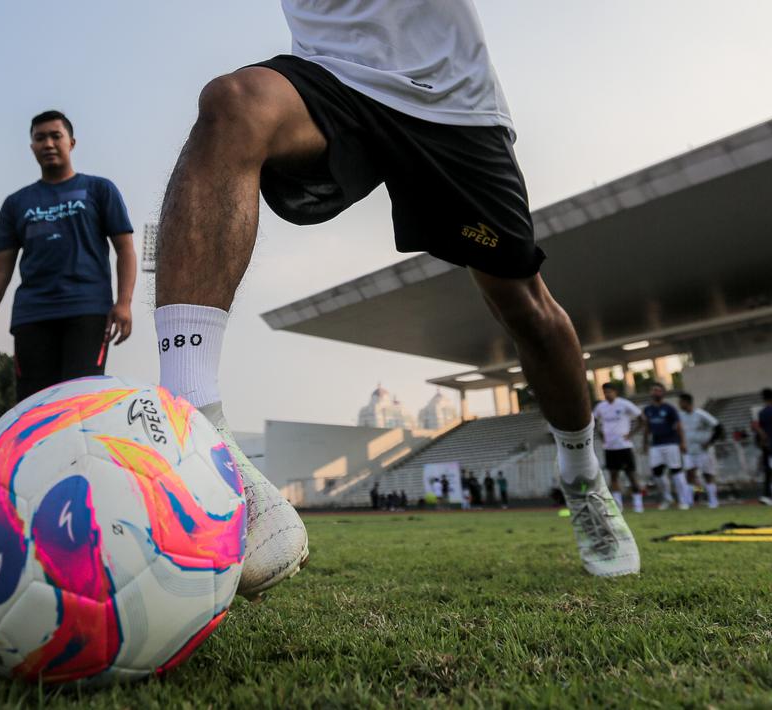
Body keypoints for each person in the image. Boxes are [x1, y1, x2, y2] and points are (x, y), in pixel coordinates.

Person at [152, 0, 637, 583]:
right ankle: (194, 418)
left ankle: (584, 479)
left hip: (451, 103)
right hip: (337, 81)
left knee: (523, 305)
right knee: (233, 103)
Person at [0, 110, 136, 402]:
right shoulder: (16, 203)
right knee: (34, 405)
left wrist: (124, 302)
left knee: (78, 403)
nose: (48, 144)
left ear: (71, 142)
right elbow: (0, 269)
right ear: (32, 147)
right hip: (32, 314)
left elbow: (125, 249)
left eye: (56, 136)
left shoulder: (99, 189)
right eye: (40, 138)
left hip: (88, 310)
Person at [593, 382, 645, 512]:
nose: (607, 394)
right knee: (613, 476)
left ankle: (638, 505)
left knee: (631, 475)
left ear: (615, 392)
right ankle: (618, 506)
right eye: (605, 392)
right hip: (609, 447)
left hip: (624, 446)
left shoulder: (624, 404)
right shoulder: (601, 407)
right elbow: (594, 421)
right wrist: (601, 434)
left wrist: (631, 434)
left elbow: (642, 418)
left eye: (609, 391)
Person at [641, 383, 685, 510]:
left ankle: (683, 500)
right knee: (656, 472)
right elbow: (646, 428)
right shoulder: (647, 409)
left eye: (658, 390)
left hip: (671, 443)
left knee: (676, 471)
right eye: (653, 390)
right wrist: (645, 443)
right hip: (655, 444)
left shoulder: (669, 408)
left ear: (663, 393)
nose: (656, 392)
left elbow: (679, 426)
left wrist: (682, 442)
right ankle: (667, 498)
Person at [678, 393, 723, 509]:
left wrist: (710, 442)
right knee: (690, 475)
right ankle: (689, 501)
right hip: (689, 451)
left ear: (687, 402)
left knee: (707, 474)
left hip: (703, 451)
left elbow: (718, 427)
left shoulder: (700, 414)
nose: (679, 404)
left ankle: (713, 501)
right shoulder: (681, 416)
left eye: (681, 402)